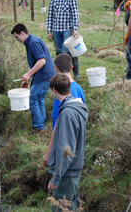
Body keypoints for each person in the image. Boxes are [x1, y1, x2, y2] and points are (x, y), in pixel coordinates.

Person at [47, 73, 88, 212]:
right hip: (71, 173)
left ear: (54, 90)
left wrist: (56, 177)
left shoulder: (67, 114)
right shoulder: (76, 107)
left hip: (66, 175)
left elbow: (66, 149)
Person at [11, 24, 55, 134]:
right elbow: (35, 62)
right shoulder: (29, 42)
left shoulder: (33, 42)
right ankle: (41, 125)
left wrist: (29, 73)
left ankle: (38, 128)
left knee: (33, 100)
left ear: (22, 33)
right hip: (42, 75)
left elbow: (42, 61)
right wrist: (28, 76)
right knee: (38, 99)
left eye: (17, 37)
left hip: (44, 76)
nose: (17, 40)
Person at [44, 53, 85, 167]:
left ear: (55, 68)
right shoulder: (79, 89)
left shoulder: (61, 91)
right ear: (72, 68)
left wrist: (49, 152)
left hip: (63, 144)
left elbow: (58, 125)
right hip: (75, 143)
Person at [46, 0, 80, 79]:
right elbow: (50, 15)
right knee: (59, 52)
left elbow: (75, 14)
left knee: (69, 52)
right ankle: (61, 73)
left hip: (67, 28)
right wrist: (49, 31)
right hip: (56, 30)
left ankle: (75, 73)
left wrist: (75, 28)